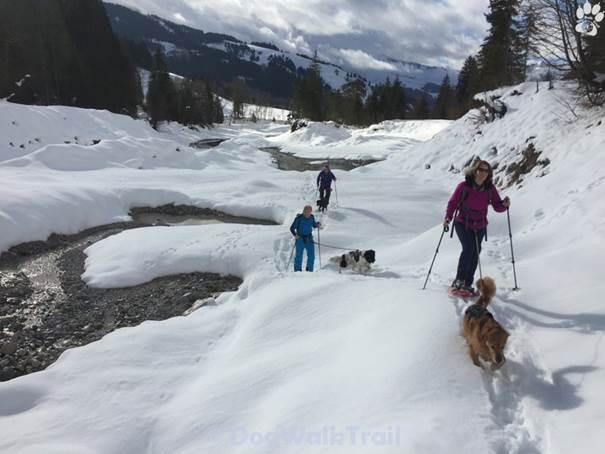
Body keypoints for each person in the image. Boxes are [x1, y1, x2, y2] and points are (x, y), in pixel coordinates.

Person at [444, 160, 510, 293]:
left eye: (486, 171)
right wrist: (447, 218)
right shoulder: (464, 186)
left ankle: (467, 283)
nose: (483, 173)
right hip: (463, 223)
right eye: (481, 169)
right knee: (468, 248)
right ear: (475, 170)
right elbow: (453, 203)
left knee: (476, 251)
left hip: (480, 225)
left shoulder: (490, 189)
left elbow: (497, 205)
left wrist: (504, 205)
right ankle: (459, 280)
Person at [290, 205, 322, 272]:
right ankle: (297, 271)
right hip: (300, 239)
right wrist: (295, 235)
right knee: (298, 256)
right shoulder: (299, 218)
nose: (307, 213)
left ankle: (309, 270)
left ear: (310, 212)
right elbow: (292, 228)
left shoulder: (311, 217)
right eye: (305, 211)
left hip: (309, 239)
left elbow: (313, 225)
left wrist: (317, 224)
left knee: (311, 256)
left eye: (308, 212)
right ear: (303, 211)